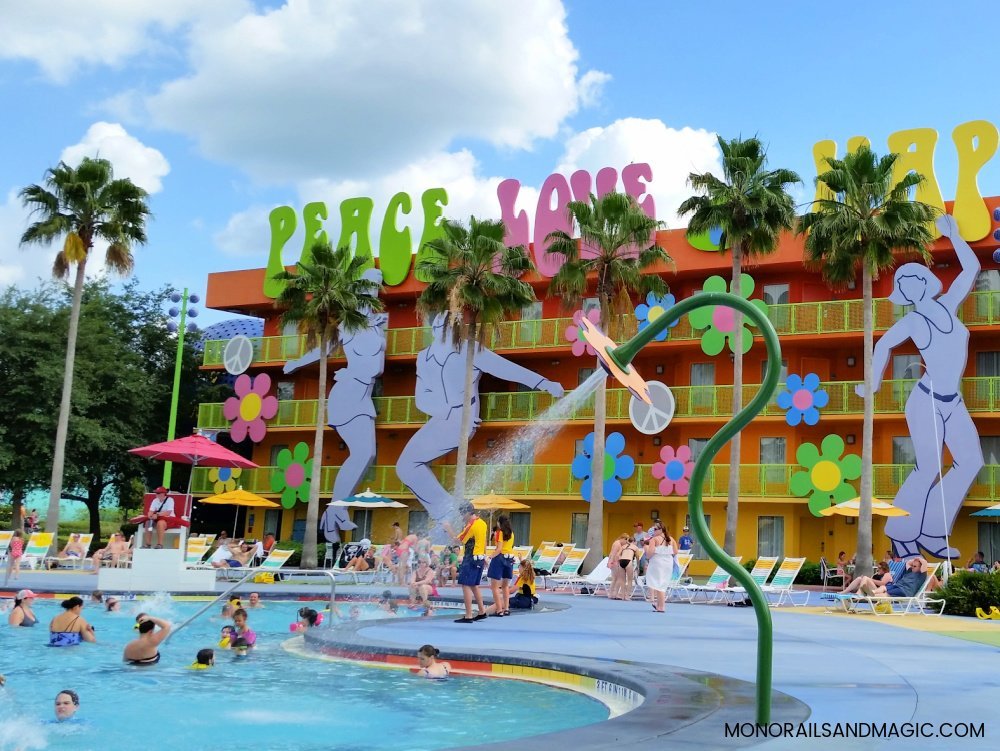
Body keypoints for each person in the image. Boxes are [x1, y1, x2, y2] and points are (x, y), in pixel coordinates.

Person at [866, 215, 984, 560]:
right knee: (928, 467)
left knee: (971, 461)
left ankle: (933, 531)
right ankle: (901, 535)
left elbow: (971, 269)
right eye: (906, 282)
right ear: (905, 294)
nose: (914, 281)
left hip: (953, 401)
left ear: (927, 280)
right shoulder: (914, 321)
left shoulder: (949, 305)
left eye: (917, 276)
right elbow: (882, 345)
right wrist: (872, 385)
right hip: (926, 400)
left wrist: (955, 235)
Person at [396, 312, 564, 529]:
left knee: (408, 464)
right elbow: (422, 398)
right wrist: (444, 406)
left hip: (461, 420)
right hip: (441, 418)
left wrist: (544, 383)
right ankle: (448, 510)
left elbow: (507, 369)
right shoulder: (424, 357)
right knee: (405, 466)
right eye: (439, 326)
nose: (443, 331)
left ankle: (448, 511)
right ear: (434, 329)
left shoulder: (469, 349)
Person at [448, 504, 488, 623]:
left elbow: (457, 540)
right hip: (479, 557)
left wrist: (448, 528)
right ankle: (482, 611)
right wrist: (484, 555)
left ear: (467, 513)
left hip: (471, 558)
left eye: (462, 514)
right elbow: (484, 541)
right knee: (474, 585)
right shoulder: (482, 523)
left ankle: (469, 615)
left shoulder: (471, 525)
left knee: (465, 585)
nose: (462, 517)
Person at [842, 557, 929, 598]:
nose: (912, 567)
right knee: (884, 588)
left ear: (920, 567)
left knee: (885, 594)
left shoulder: (921, 574)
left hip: (905, 590)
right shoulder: (910, 571)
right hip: (898, 585)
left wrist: (918, 559)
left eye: (915, 566)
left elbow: (924, 563)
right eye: (913, 566)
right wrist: (914, 561)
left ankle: (867, 594)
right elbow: (908, 563)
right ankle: (872, 592)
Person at [483, 515, 515, 617]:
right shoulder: (511, 533)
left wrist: (489, 557)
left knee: (495, 587)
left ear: (499, 523)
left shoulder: (499, 533)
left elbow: (499, 549)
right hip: (509, 559)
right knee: (505, 586)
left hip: (499, 559)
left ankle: (499, 610)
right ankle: (506, 608)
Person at [644, 521, 678, 613]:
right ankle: (660, 605)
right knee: (662, 584)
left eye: (655, 529)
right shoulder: (671, 539)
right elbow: (675, 552)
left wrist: (648, 553)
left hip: (657, 562)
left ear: (660, 530)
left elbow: (649, 554)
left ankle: (661, 606)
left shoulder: (654, 539)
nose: (653, 531)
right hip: (668, 563)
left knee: (658, 584)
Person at [606, 533, 629, 600]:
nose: (625, 543)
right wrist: (611, 562)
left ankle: (612, 593)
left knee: (615, 579)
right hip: (615, 562)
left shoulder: (617, 543)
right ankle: (614, 593)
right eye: (626, 541)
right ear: (623, 539)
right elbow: (613, 554)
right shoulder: (617, 544)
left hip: (615, 562)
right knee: (617, 578)